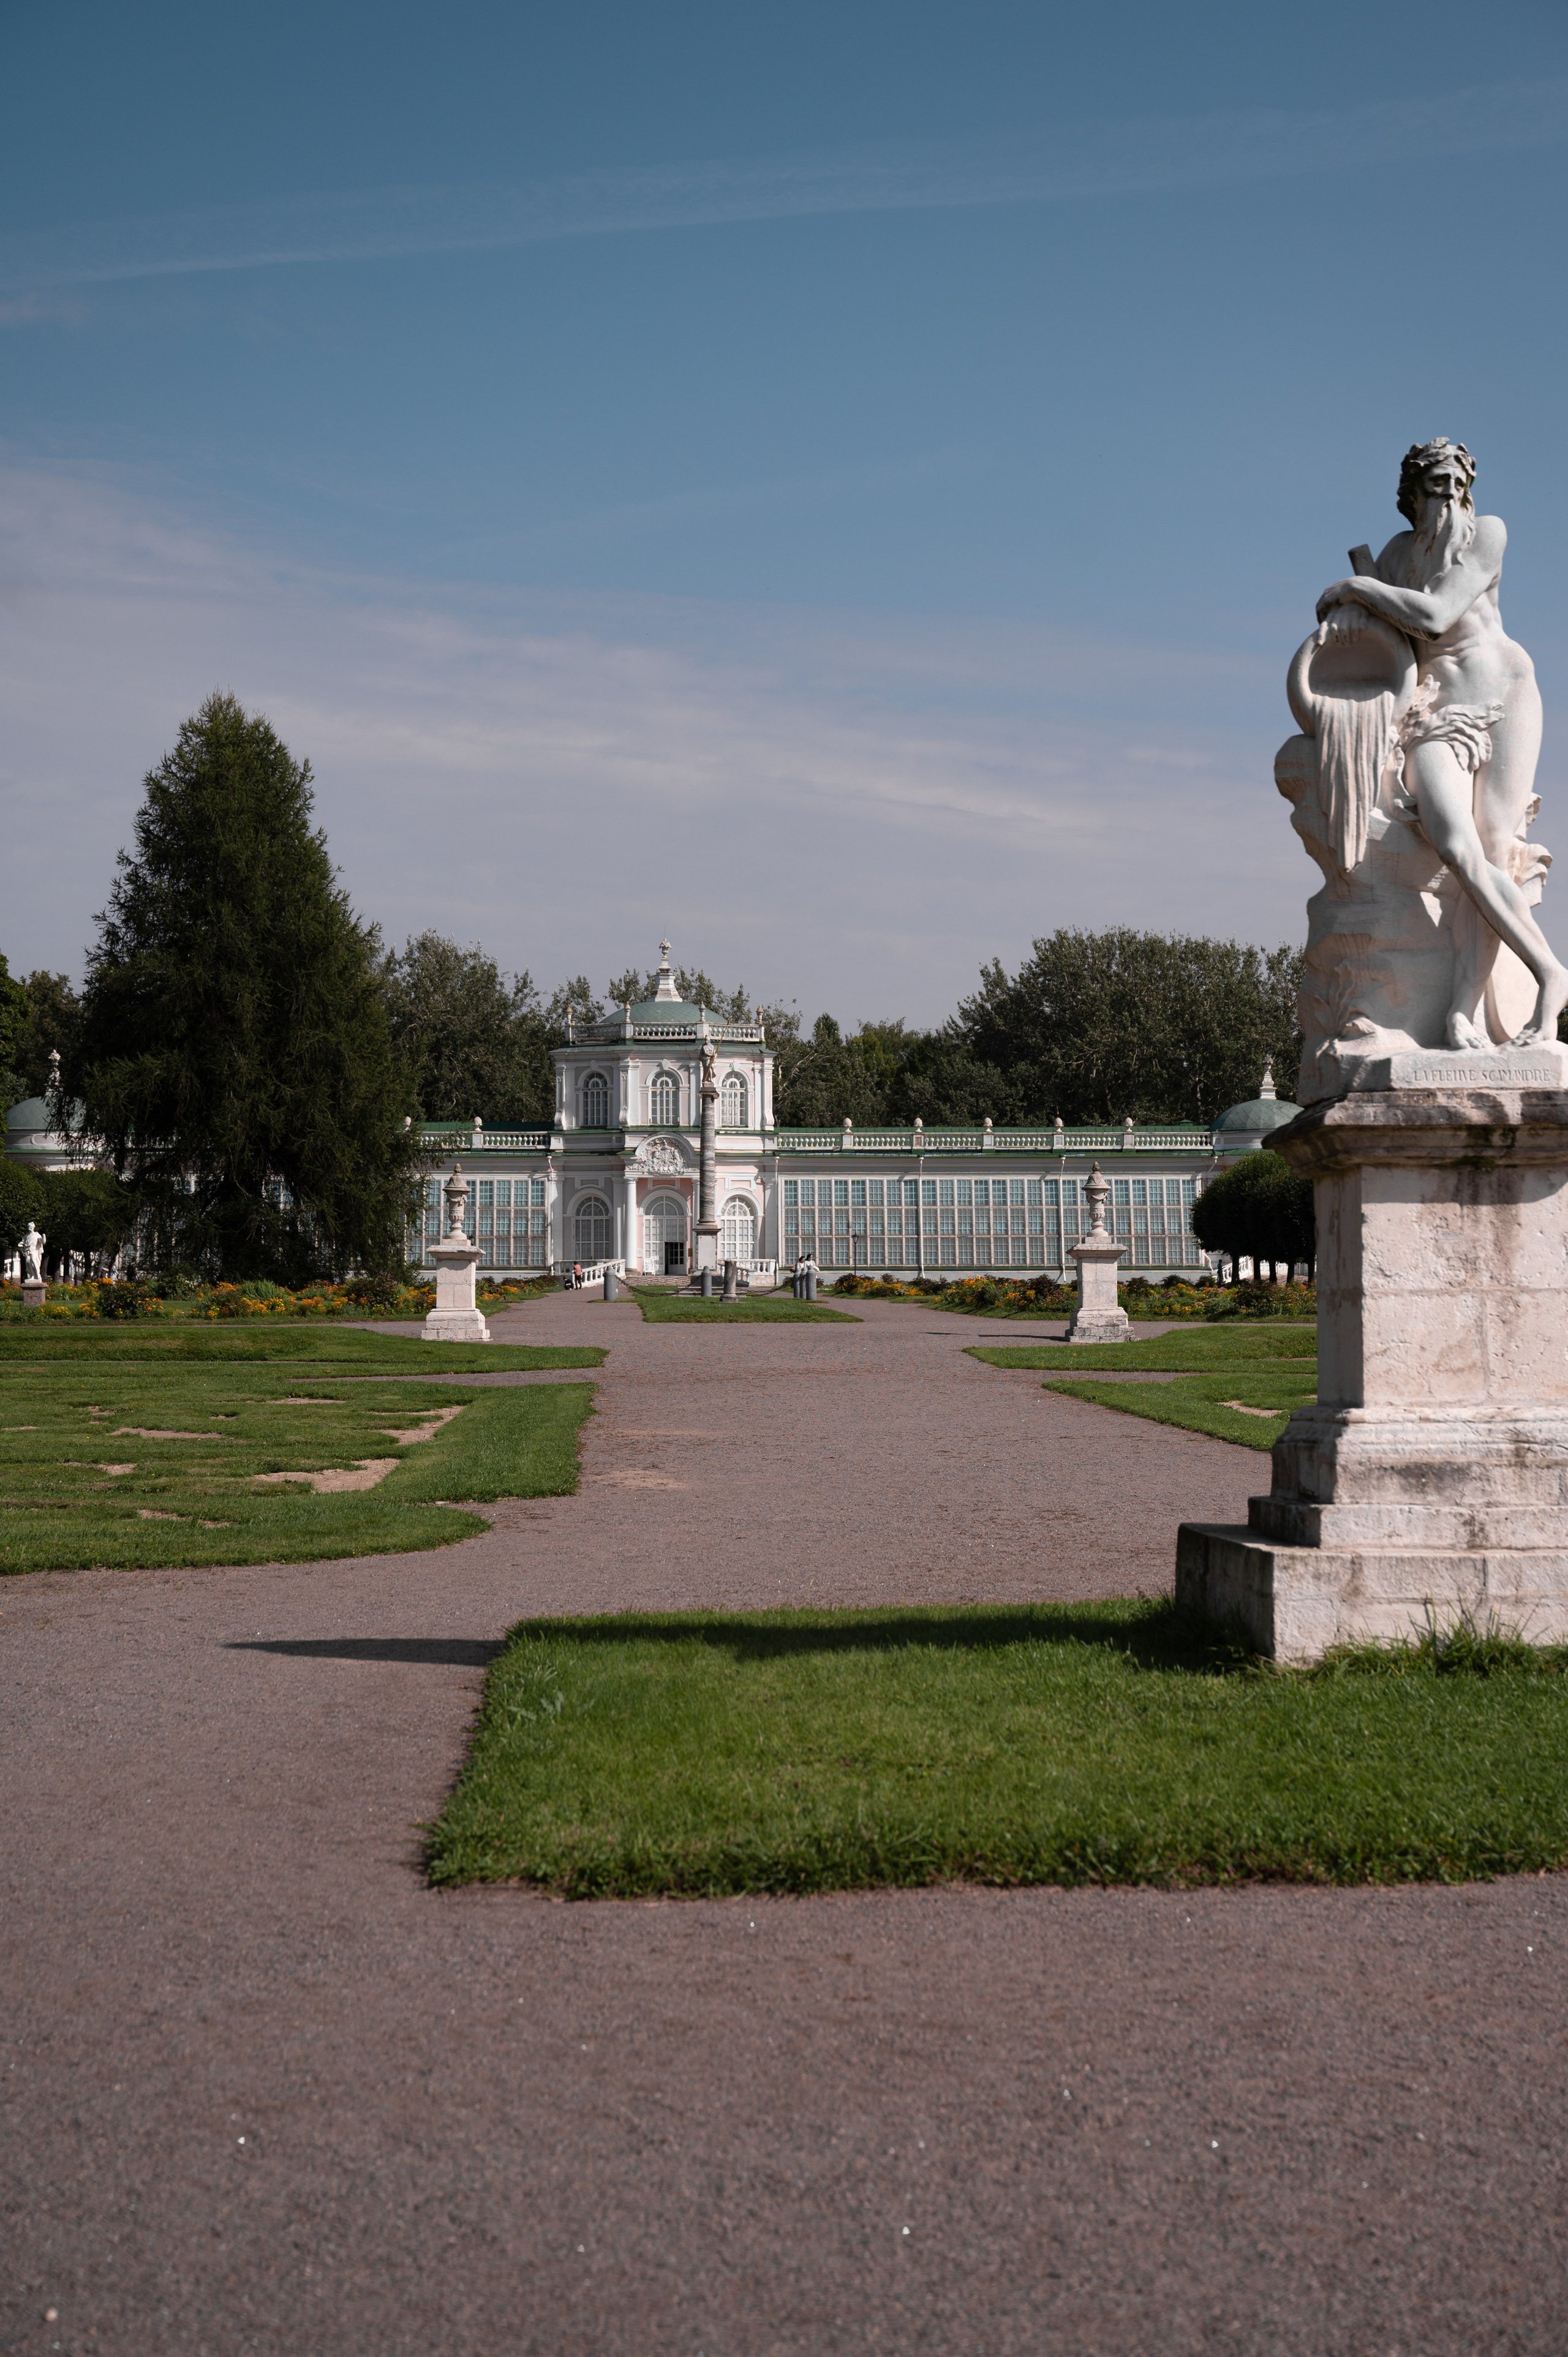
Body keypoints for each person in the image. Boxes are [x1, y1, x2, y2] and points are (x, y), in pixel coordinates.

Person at [1314, 437, 1568, 1049]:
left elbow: (1434, 615)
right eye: (1436, 483)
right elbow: (1382, 640)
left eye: (1458, 483)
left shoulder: (1488, 534)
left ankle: (1463, 1011)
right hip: (1434, 714)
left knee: (1494, 849)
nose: (1450, 494)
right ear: (1412, 491)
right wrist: (1354, 612)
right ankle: (1552, 969)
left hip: (1505, 694)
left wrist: (1355, 590)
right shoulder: (1395, 556)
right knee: (1458, 847)